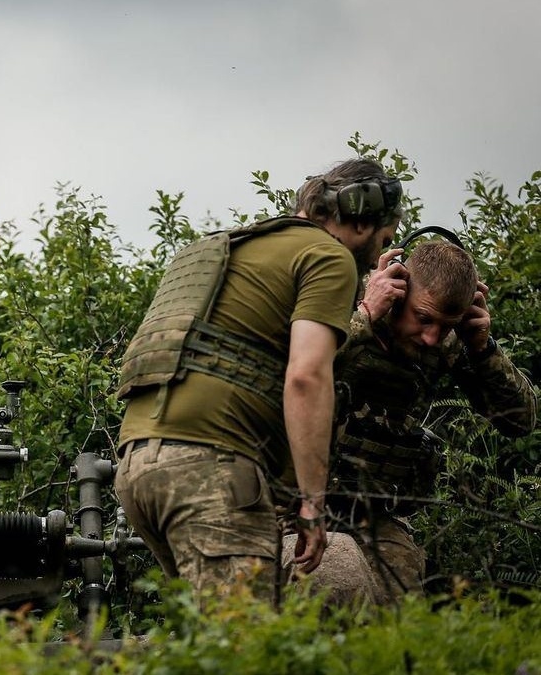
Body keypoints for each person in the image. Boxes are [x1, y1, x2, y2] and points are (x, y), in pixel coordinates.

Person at [113, 158, 402, 601]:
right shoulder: (329, 257)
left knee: (211, 640)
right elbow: (306, 377)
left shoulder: (221, 248)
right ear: (362, 216)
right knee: (241, 647)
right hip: (211, 470)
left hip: (137, 468)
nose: (382, 249)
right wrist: (311, 502)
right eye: (386, 236)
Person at [290, 239, 537, 604]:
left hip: (375, 513)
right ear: (399, 288)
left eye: (446, 325)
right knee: (332, 585)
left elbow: (521, 421)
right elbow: (293, 374)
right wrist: (364, 316)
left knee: (399, 612)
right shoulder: (339, 308)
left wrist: (483, 351)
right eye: (423, 318)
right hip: (294, 502)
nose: (431, 337)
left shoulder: (446, 342)